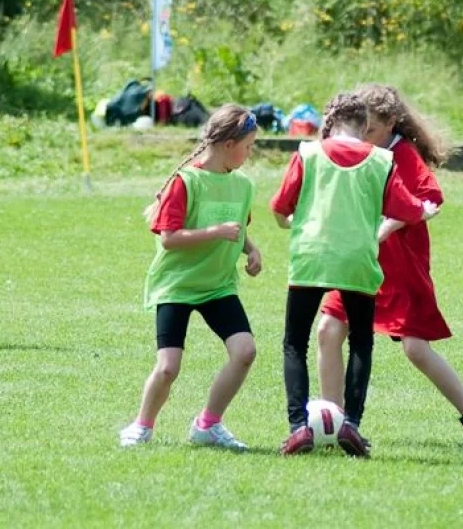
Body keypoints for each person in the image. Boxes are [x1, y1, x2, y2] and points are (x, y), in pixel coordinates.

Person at [316, 85, 463, 448]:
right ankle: (334, 424)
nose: (361, 138)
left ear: (391, 124)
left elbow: (429, 199)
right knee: (328, 329)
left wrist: (381, 231)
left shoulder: (404, 153)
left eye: (369, 131)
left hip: (401, 269)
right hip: (358, 264)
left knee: (416, 348)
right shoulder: (356, 152)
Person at [270, 93, 438, 457]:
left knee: (294, 343)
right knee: (362, 340)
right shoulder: (381, 159)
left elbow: (280, 208)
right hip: (358, 260)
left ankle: (299, 427)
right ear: (364, 126)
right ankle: (351, 425)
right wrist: (425, 209)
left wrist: (291, 222)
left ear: (328, 123)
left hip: (311, 258)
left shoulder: (307, 153)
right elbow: (408, 210)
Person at [120, 106, 261, 451]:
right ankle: (142, 425)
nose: (250, 153)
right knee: (168, 368)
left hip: (218, 285)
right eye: (248, 145)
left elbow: (237, 228)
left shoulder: (242, 185)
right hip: (178, 285)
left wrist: (252, 250)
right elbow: (168, 237)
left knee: (245, 351)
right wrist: (215, 232)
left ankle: (208, 425)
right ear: (229, 144)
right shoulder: (186, 181)